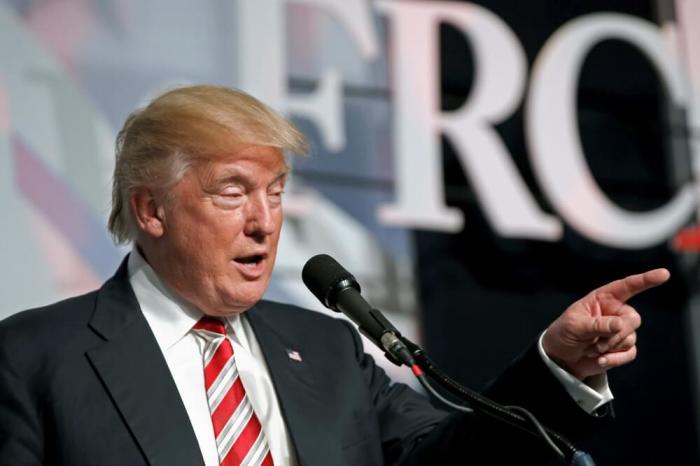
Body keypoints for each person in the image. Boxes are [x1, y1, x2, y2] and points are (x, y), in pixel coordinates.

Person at [0, 85, 669, 466]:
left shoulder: (327, 349)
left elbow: (452, 465)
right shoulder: (34, 359)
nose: (265, 222)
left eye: (277, 191)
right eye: (233, 192)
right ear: (151, 209)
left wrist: (556, 365)